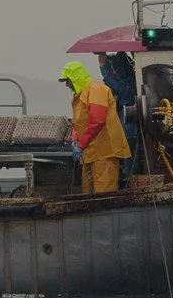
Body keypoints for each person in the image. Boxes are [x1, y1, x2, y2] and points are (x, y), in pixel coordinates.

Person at [60, 60, 131, 194]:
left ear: (75, 78)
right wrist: (74, 139)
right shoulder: (77, 98)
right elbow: (78, 123)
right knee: (88, 194)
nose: (66, 84)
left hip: (105, 152)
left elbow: (97, 121)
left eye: (67, 80)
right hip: (89, 154)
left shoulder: (97, 90)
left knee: (104, 195)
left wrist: (81, 145)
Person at [97, 51, 141, 183]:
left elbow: (118, 87)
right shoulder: (131, 79)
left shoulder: (130, 84)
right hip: (125, 130)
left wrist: (103, 67)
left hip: (131, 132)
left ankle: (131, 180)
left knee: (131, 160)